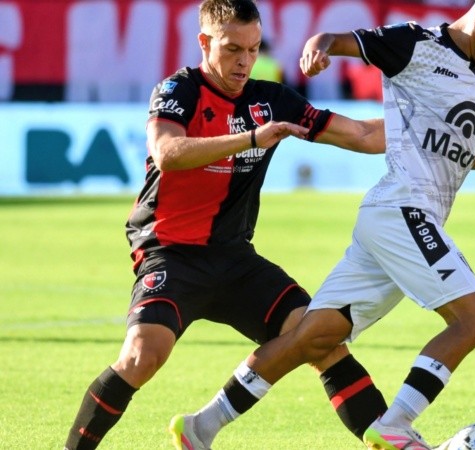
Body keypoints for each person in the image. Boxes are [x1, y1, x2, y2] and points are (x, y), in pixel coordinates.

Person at [171, 1, 475, 449]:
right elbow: (339, 41)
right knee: (473, 321)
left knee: (313, 337)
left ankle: (201, 426)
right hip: (402, 209)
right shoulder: (417, 45)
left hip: (399, 222)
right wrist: (319, 47)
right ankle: (395, 424)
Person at [63, 1, 391, 449]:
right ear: (204, 42)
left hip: (235, 258)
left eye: (254, 49)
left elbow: (362, 134)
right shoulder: (178, 90)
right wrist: (253, 137)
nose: (245, 60)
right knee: (142, 356)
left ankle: (395, 441)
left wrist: (437, 131)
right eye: (233, 48)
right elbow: (168, 153)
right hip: (171, 251)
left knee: (321, 339)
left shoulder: (272, 100)